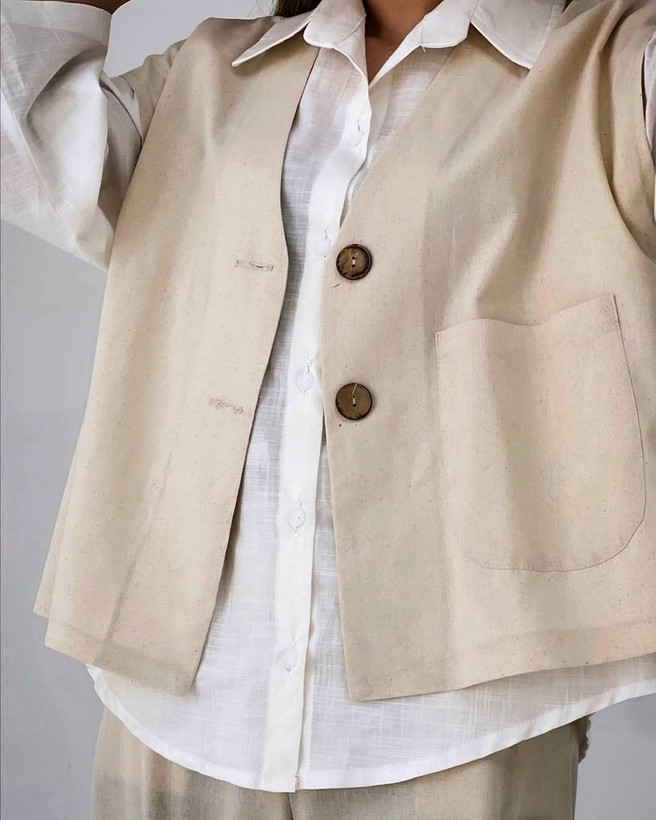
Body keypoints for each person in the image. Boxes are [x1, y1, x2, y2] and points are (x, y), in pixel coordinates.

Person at [2, 0, 656, 817]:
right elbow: (16, 130)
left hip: (462, 724)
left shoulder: (613, 66)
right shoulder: (209, 71)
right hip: (179, 710)